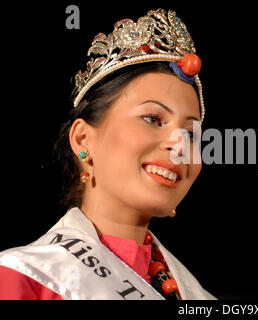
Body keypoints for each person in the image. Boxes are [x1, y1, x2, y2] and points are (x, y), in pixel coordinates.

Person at [0, 8, 215, 300]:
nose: (179, 146)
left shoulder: (196, 297)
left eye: (191, 134)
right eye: (153, 119)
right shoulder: (23, 280)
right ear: (83, 138)